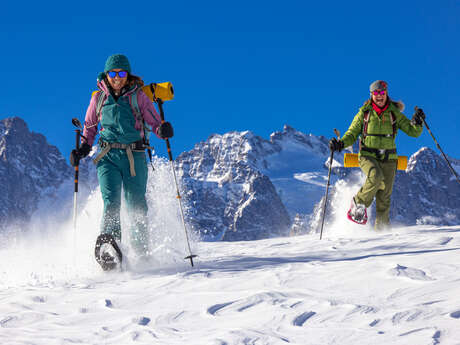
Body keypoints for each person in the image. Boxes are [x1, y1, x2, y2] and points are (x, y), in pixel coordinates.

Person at [70, 54, 173, 257]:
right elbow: (89, 128)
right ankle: (110, 247)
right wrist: (82, 149)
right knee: (111, 201)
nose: (117, 78)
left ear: (128, 74)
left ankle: (141, 252)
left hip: (134, 156)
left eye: (122, 73)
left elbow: (153, 121)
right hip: (107, 157)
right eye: (113, 73)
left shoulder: (138, 97)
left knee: (136, 203)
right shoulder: (98, 99)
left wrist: (162, 131)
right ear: (106, 75)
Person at [329, 80, 425, 230]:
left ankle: (382, 232)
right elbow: (352, 133)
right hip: (368, 155)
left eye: (382, 93)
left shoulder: (394, 113)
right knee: (375, 176)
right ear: (371, 95)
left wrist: (417, 122)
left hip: (389, 159)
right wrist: (340, 144)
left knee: (384, 197)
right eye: (376, 93)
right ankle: (358, 203)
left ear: (386, 94)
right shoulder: (364, 113)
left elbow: (413, 132)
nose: (379, 96)